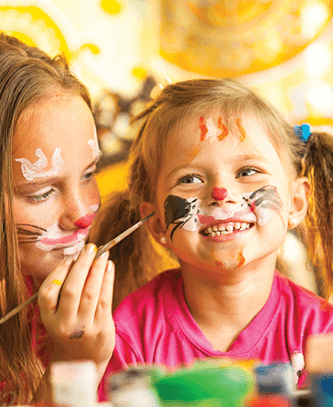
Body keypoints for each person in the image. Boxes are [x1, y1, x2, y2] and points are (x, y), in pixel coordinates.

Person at [92, 78, 333, 399]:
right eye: (190, 179)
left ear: (296, 203)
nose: (221, 194)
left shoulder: (321, 336)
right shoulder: (127, 337)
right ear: (158, 225)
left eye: (247, 171)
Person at [0, 31, 115, 406]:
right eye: (40, 192)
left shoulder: (44, 292)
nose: (80, 215)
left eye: (89, 174)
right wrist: (75, 364)